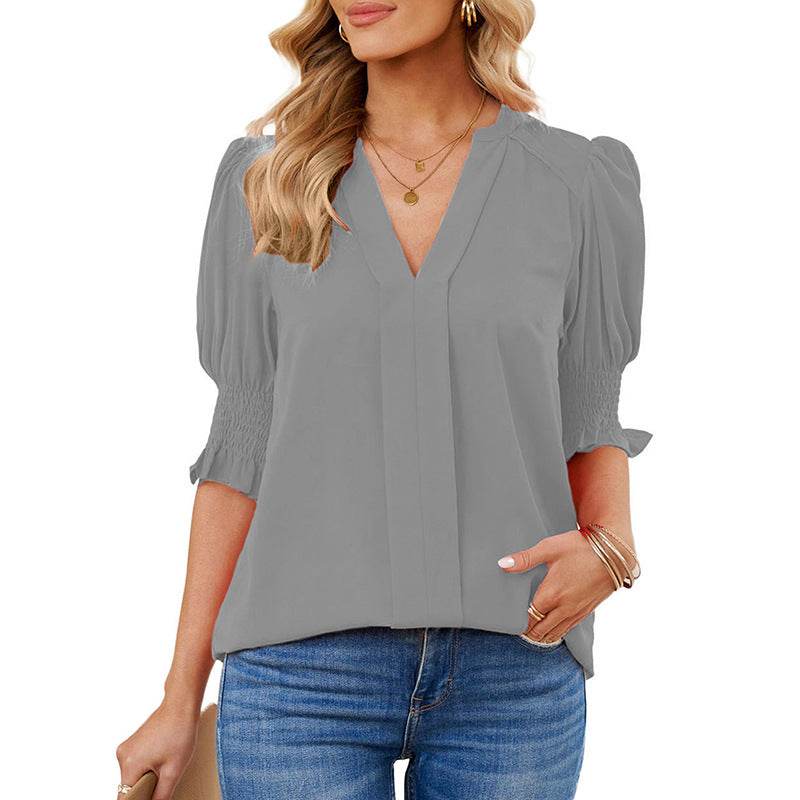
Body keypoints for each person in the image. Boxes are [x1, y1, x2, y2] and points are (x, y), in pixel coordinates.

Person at [116, 1, 650, 798]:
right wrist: (177, 697)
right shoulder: (269, 181)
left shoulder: (576, 183)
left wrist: (612, 550)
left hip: (514, 671)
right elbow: (240, 451)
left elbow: (587, 415)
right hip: (299, 679)